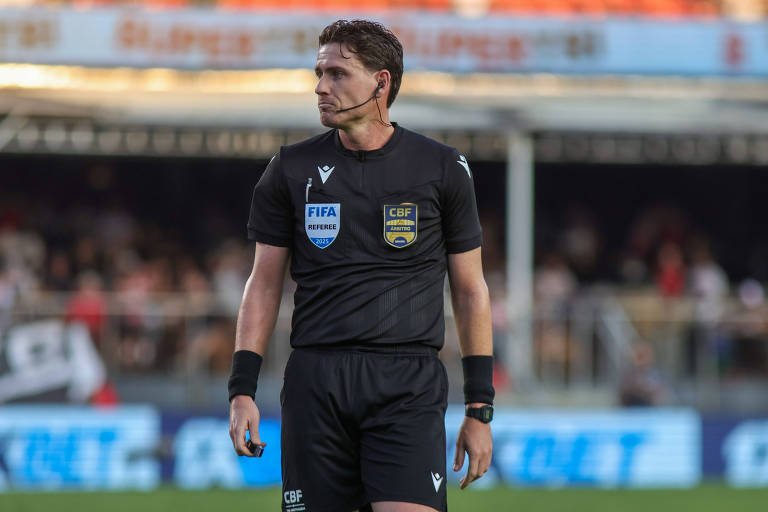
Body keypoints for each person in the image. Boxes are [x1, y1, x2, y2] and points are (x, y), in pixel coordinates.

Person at [228, 19, 494, 512]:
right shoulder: (289, 169)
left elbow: (471, 289)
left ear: (381, 82)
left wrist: (479, 407)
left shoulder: (441, 168)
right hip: (317, 381)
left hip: (406, 382)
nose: (320, 86)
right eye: (318, 73)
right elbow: (263, 283)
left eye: (337, 74)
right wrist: (242, 388)